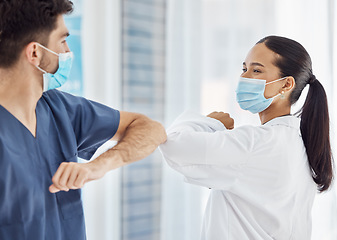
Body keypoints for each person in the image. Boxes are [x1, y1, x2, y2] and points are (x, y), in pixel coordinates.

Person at [0, 0, 166, 239]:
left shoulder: (59, 109)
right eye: (62, 41)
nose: (68, 52)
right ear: (35, 52)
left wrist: (98, 166)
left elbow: (151, 129)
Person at [159, 36, 333, 239]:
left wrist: (211, 122)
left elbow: (174, 144)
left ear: (286, 85)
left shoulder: (258, 143)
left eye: (256, 70)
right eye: (244, 69)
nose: (245, 77)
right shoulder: (298, 139)